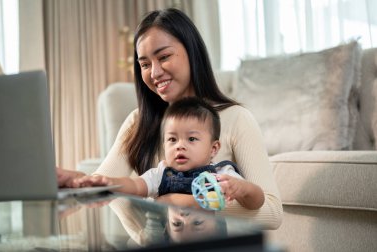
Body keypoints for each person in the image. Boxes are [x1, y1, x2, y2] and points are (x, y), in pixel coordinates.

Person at [57, 8, 282, 229]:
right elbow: (107, 183)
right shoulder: (138, 121)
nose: (154, 73)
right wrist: (76, 180)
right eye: (144, 64)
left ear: (192, 52)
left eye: (163, 57)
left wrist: (181, 202)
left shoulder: (236, 119)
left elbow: (272, 213)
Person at [75, 97, 256, 210]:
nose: (180, 146)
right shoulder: (161, 173)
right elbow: (135, 186)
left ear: (213, 149)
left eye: (191, 139)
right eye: (172, 140)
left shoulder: (221, 175)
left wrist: (240, 188)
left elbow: (257, 200)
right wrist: (109, 182)